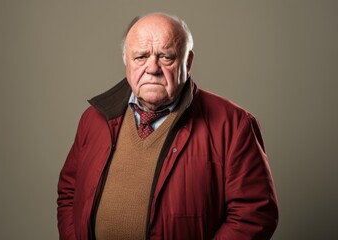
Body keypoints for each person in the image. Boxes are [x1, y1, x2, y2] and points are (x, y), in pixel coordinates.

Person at [57, 12, 278, 240]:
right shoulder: (94, 119)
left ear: (188, 62)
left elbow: (254, 214)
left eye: (166, 57)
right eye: (141, 57)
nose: (152, 68)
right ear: (126, 59)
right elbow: (69, 193)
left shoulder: (233, 125)